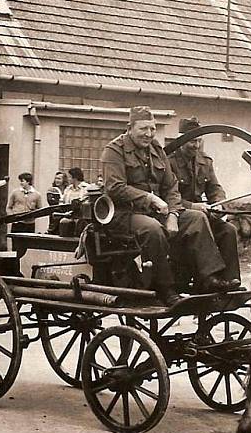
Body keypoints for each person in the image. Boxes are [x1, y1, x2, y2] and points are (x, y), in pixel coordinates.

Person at [101, 106, 240, 304]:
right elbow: (115, 187)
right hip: (124, 214)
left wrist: (174, 215)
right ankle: (166, 289)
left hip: (158, 211)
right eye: (143, 129)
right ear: (129, 128)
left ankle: (209, 279)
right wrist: (150, 198)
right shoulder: (114, 150)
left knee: (196, 218)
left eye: (152, 129)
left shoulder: (156, 150)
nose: (148, 134)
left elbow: (171, 186)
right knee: (154, 230)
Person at [169, 117, 241, 283]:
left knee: (228, 230)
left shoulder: (205, 162)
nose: (196, 145)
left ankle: (231, 280)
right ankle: (209, 278)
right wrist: (192, 206)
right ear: (181, 140)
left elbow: (215, 188)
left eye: (199, 141)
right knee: (199, 219)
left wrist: (219, 204)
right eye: (191, 141)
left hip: (200, 214)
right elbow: (167, 194)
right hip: (178, 215)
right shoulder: (169, 162)